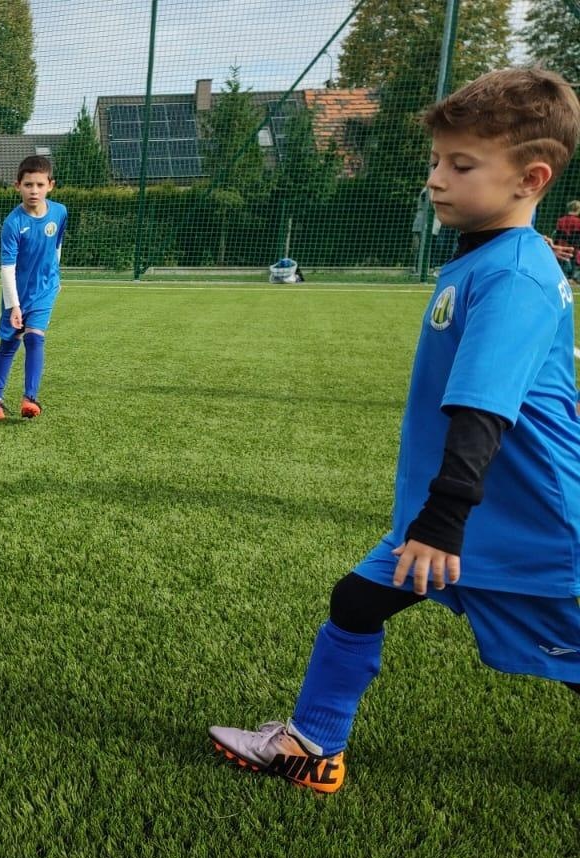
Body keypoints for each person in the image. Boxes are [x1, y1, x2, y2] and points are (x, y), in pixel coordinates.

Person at [209, 67, 580, 793]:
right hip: (473, 513)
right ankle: (312, 746)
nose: (436, 180)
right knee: (356, 600)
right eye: (436, 162)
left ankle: (311, 742)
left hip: (521, 519)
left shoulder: (512, 275)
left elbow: (484, 410)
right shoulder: (487, 259)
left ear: (530, 178)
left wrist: (441, 522)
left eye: (461, 165)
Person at [0, 155, 67, 421]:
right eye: (28, 185)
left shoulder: (60, 212)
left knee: (35, 338)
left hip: (45, 289)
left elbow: (56, 245)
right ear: (17, 185)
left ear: (50, 185)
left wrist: (56, 276)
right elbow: (7, 268)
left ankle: (29, 398)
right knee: (10, 343)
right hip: (17, 293)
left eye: (40, 185)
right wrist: (14, 306)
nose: (34, 190)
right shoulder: (13, 223)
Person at [552, 199, 580, 282]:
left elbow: (557, 234)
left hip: (561, 246)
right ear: (577, 209)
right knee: (573, 263)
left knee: (562, 264)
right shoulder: (578, 222)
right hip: (574, 247)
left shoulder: (561, 220)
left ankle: (564, 277)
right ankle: (572, 277)